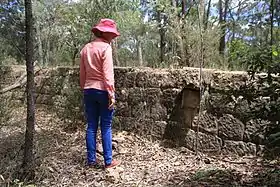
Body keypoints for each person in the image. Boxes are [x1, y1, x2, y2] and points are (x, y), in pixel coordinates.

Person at [79, 18, 120, 169]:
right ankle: (108, 161)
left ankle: (91, 161)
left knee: (91, 126)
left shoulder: (85, 48)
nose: (112, 37)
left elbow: (82, 73)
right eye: (111, 33)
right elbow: (108, 74)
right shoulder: (106, 48)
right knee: (106, 126)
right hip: (103, 90)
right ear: (104, 32)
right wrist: (111, 94)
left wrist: (84, 88)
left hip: (89, 90)